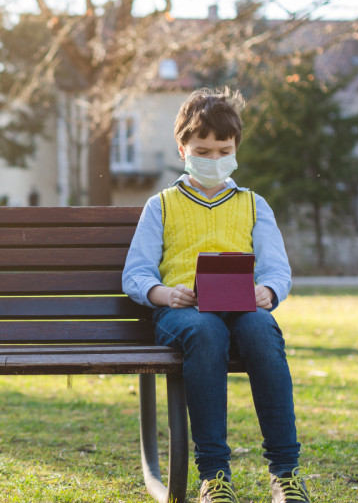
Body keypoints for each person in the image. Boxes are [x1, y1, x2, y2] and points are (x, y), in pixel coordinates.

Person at [122, 88, 312, 503]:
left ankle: (285, 471)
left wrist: (268, 290)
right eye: (202, 150)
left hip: (242, 308)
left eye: (223, 150)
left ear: (236, 149)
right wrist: (165, 294)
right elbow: (135, 272)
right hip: (183, 315)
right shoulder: (162, 206)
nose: (213, 159)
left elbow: (277, 268)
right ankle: (214, 475)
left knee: (264, 332)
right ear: (183, 148)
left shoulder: (253, 204)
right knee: (205, 332)